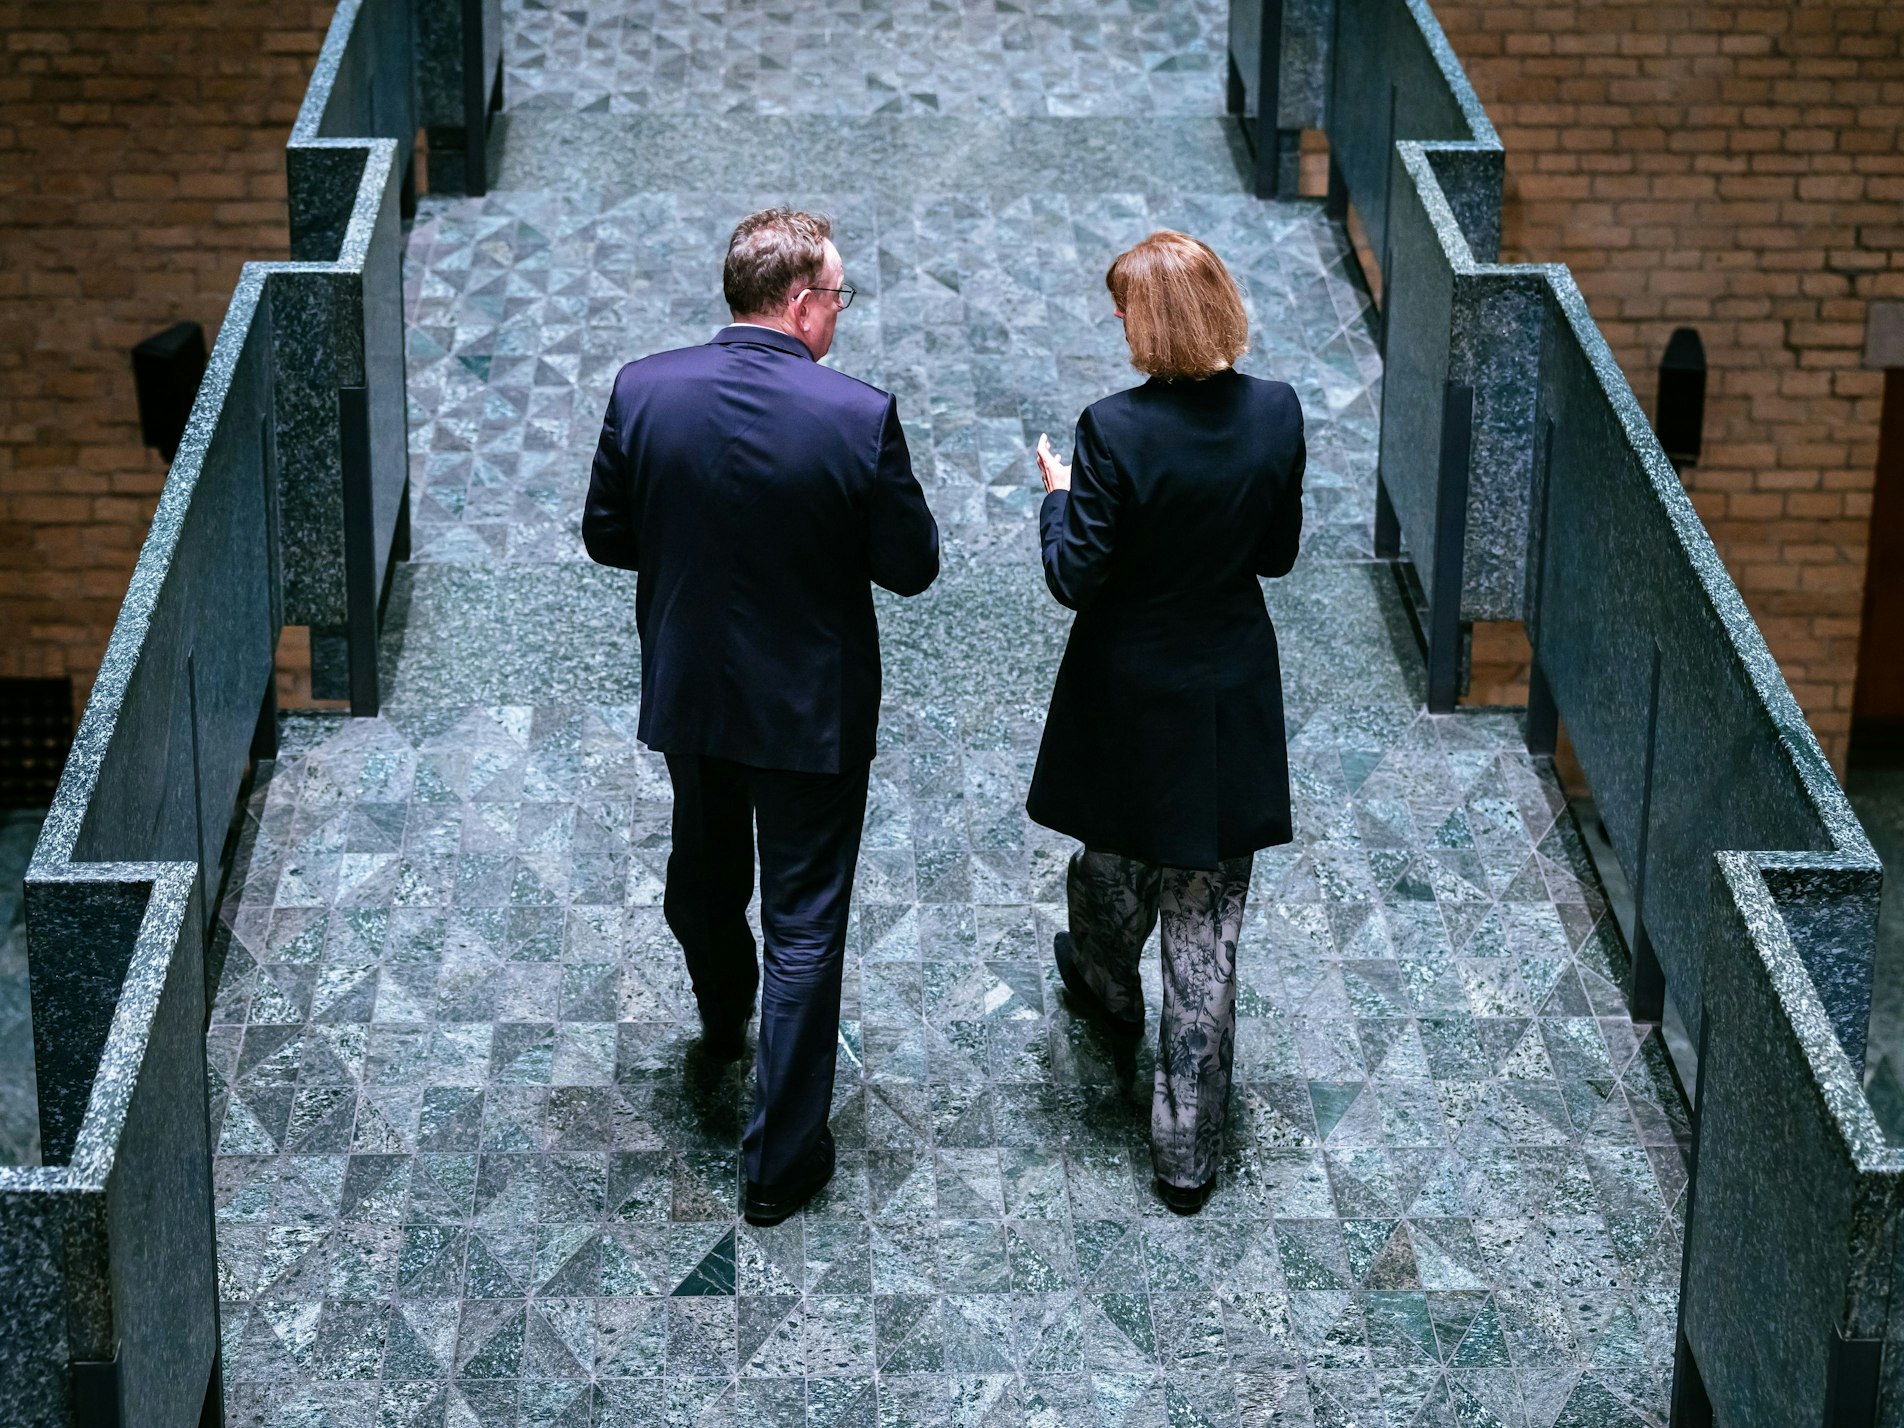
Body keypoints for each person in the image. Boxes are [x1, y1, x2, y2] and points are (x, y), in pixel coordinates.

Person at [582, 208, 940, 1226]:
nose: (840, 314)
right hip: (810, 714)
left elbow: (607, 535)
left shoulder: (643, 389)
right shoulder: (855, 417)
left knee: (702, 870)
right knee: (805, 924)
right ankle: (779, 1164)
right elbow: (910, 568)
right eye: (837, 297)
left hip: (692, 691)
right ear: (799, 304)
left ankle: (719, 998)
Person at [1029, 229, 1304, 1216]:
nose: (1113, 321)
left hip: (1132, 692)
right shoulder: (1274, 413)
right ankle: (1184, 1160)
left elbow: (1073, 576)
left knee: (1112, 863)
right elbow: (1273, 555)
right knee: (1207, 920)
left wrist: (1056, 497)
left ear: (1148, 323)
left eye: (1119, 309)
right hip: (1226, 691)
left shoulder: (1112, 429)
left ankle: (1103, 983)